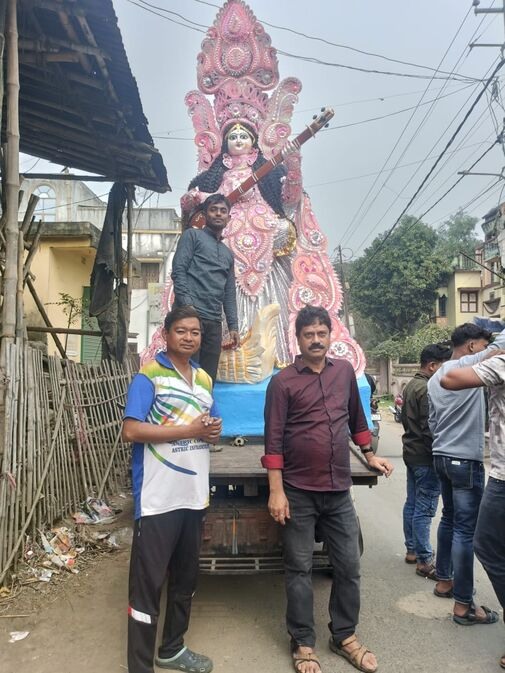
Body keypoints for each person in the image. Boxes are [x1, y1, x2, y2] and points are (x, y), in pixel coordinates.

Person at [262, 305, 394, 673]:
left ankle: (344, 636)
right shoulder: (283, 382)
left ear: (330, 335)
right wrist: (276, 491)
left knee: (349, 566)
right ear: (298, 339)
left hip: (338, 490)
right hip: (298, 490)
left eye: (322, 333)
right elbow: (273, 440)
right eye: (309, 334)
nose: (316, 340)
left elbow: (356, 418)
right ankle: (303, 642)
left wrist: (370, 455)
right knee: (299, 568)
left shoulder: (344, 373)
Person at [122, 306, 221, 673]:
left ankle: (173, 649)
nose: (189, 337)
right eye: (181, 330)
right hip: (157, 499)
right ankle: (140, 666)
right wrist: (189, 431)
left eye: (195, 331)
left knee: (185, 580)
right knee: (146, 587)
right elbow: (131, 430)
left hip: (193, 496)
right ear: (166, 334)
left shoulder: (204, 379)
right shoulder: (149, 376)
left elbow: (207, 426)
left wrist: (211, 430)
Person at [428, 322, 505, 625]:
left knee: (448, 519)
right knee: (466, 531)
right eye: (483, 344)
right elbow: (494, 352)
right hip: (465, 460)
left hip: (441, 456)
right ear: (472, 346)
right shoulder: (472, 366)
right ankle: (463, 604)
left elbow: (432, 421)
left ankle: (444, 580)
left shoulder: (435, 375)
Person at [440, 353, 505, 665]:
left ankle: (455, 593)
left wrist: (485, 357)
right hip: (468, 460)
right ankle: (459, 598)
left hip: (453, 457)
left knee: (467, 532)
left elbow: (449, 379)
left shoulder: (493, 364)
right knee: (464, 529)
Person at [171, 193, 239, 382]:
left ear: (228, 218)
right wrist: (188, 307)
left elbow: (229, 292)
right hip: (189, 319)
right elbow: (178, 271)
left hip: (214, 323)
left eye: (223, 211)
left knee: (207, 380)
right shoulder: (192, 236)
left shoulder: (228, 254)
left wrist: (233, 326)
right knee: (183, 376)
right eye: (213, 210)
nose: (218, 214)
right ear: (204, 214)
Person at [401, 343, 450, 576]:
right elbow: (429, 428)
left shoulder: (412, 385)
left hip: (411, 452)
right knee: (425, 508)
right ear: (432, 366)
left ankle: (412, 549)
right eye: (444, 366)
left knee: (412, 503)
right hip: (425, 456)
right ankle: (424, 559)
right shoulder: (429, 388)